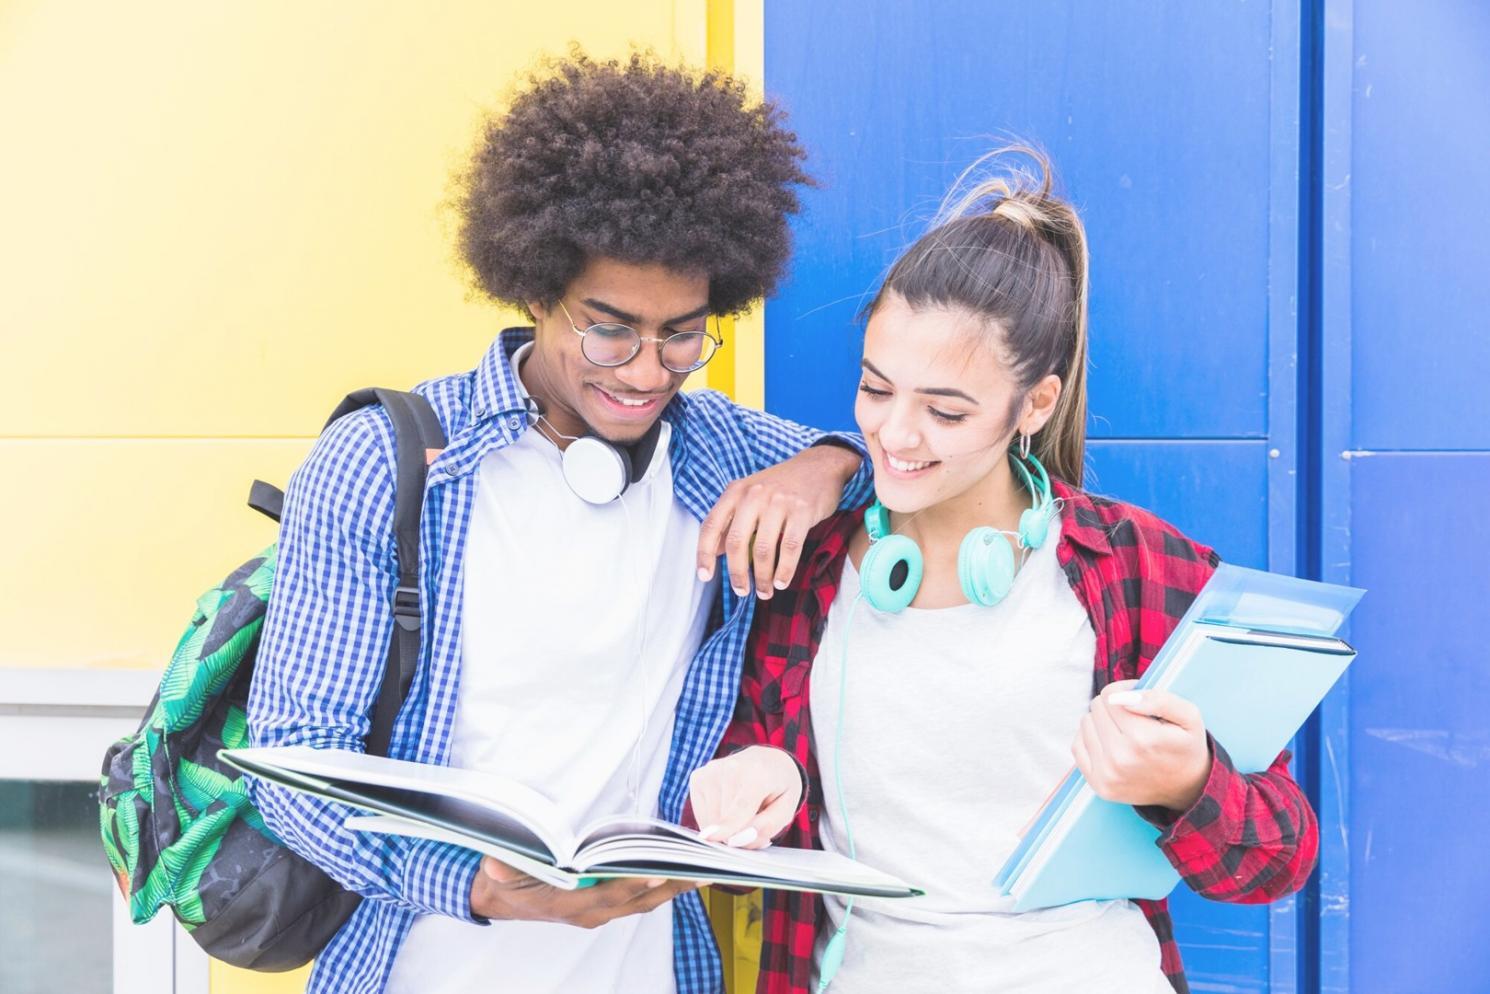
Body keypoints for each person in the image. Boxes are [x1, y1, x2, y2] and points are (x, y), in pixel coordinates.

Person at [247, 53, 874, 994]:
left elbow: (890, 469)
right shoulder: (387, 462)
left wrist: (827, 467)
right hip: (418, 966)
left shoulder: (725, 454)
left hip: (653, 969)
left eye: (683, 333)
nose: (646, 371)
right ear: (536, 289)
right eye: (608, 327)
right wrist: (484, 888)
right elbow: (292, 766)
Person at [688, 148, 1319, 994]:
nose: (897, 435)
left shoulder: (1136, 568)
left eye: (946, 409)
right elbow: (745, 844)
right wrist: (758, 786)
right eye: (877, 389)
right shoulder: (806, 573)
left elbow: (1278, 857)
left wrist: (1191, 781)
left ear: (1037, 405)